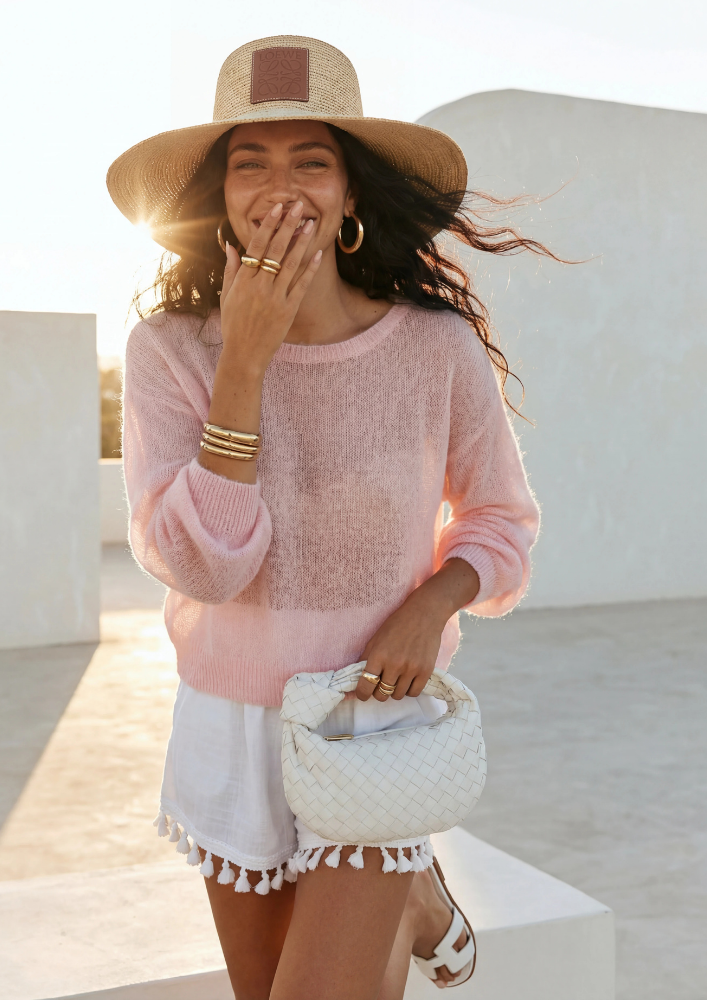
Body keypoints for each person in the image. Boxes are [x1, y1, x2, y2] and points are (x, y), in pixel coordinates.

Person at [108, 35, 548, 1000]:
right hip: (232, 728)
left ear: (351, 194)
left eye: (312, 161)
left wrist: (432, 603)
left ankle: (407, 885)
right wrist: (244, 363)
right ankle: (419, 901)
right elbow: (207, 570)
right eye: (250, 162)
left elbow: (501, 520)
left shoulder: (435, 349)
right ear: (219, 196)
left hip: (374, 724)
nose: (281, 187)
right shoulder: (168, 352)